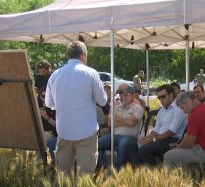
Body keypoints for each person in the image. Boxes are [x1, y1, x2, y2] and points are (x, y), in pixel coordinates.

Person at [45, 41, 107, 175]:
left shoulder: (55, 75)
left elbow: (49, 104)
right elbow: (102, 101)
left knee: (63, 174)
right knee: (85, 176)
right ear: (84, 54)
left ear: (68, 56)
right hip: (87, 132)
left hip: (64, 131)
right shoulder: (91, 73)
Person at [163, 92, 205, 170]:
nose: (183, 111)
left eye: (183, 108)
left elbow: (188, 143)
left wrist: (177, 149)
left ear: (189, 101)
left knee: (169, 156)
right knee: (176, 153)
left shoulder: (195, 114)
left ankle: (173, 181)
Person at [136, 84, 187, 166]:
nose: (161, 100)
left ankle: (155, 172)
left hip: (173, 140)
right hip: (160, 138)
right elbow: (156, 128)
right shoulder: (162, 110)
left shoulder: (178, 108)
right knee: (135, 146)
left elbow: (171, 131)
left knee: (143, 151)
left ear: (171, 95)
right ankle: (153, 169)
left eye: (163, 97)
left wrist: (153, 139)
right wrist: (148, 138)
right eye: (159, 97)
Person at [98, 85, 144, 170]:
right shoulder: (117, 107)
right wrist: (126, 121)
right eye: (122, 94)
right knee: (96, 143)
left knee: (123, 144)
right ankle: (105, 168)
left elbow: (131, 123)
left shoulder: (138, 108)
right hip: (113, 136)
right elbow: (109, 123)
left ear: (133, 95)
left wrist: (118, 119)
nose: (124, 97)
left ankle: (118, 170)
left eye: (127, 94)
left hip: (129, 137)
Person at [37, 86, 57, 162]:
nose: (45, 98)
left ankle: (40, 164)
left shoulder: (54, 107)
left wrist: (46, 117)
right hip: (39, 131)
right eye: (43, 96)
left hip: (50, 132)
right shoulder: (38, 105)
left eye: (47, 96)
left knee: (41, 139)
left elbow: (57, 125)